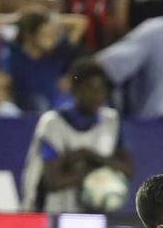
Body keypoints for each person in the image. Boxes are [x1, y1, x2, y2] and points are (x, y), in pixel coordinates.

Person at [21, 57, 132, 212]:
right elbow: (53, 181)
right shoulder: (53, 123)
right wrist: (90, 171)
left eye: (102, 89)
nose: (97, 95)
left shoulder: (111, 121)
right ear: (75, 89)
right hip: (49, 213)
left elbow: (127, 169)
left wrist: (91, 156)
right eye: (90, 88)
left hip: (88, 215)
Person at [8, 10, 87, 112]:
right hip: (21, 113)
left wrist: (51, 20)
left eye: (54, 34)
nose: (53, 39)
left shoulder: (56, 55)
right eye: (47, 34)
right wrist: (22, 19)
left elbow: (80, 23)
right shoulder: (14, 54)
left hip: (49, 113)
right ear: (29, 34)